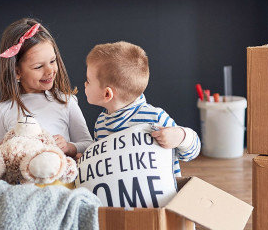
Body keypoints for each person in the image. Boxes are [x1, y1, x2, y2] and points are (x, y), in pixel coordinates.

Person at [84, 41, 200, 176]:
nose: (85, 84)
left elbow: (193, 151)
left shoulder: (155, 118)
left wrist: (180, 136)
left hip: (160, 196)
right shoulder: (101, 123)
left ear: (107, 94)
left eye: (88, 81)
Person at [0, 18, 92, 157]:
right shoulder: (1, 111)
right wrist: (3, 150)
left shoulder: (66, 102)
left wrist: (69, 147)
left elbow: (88, 144)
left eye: (52, 61)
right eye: (38, 66)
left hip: (60, 176)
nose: (50, 70)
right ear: (17, 72)